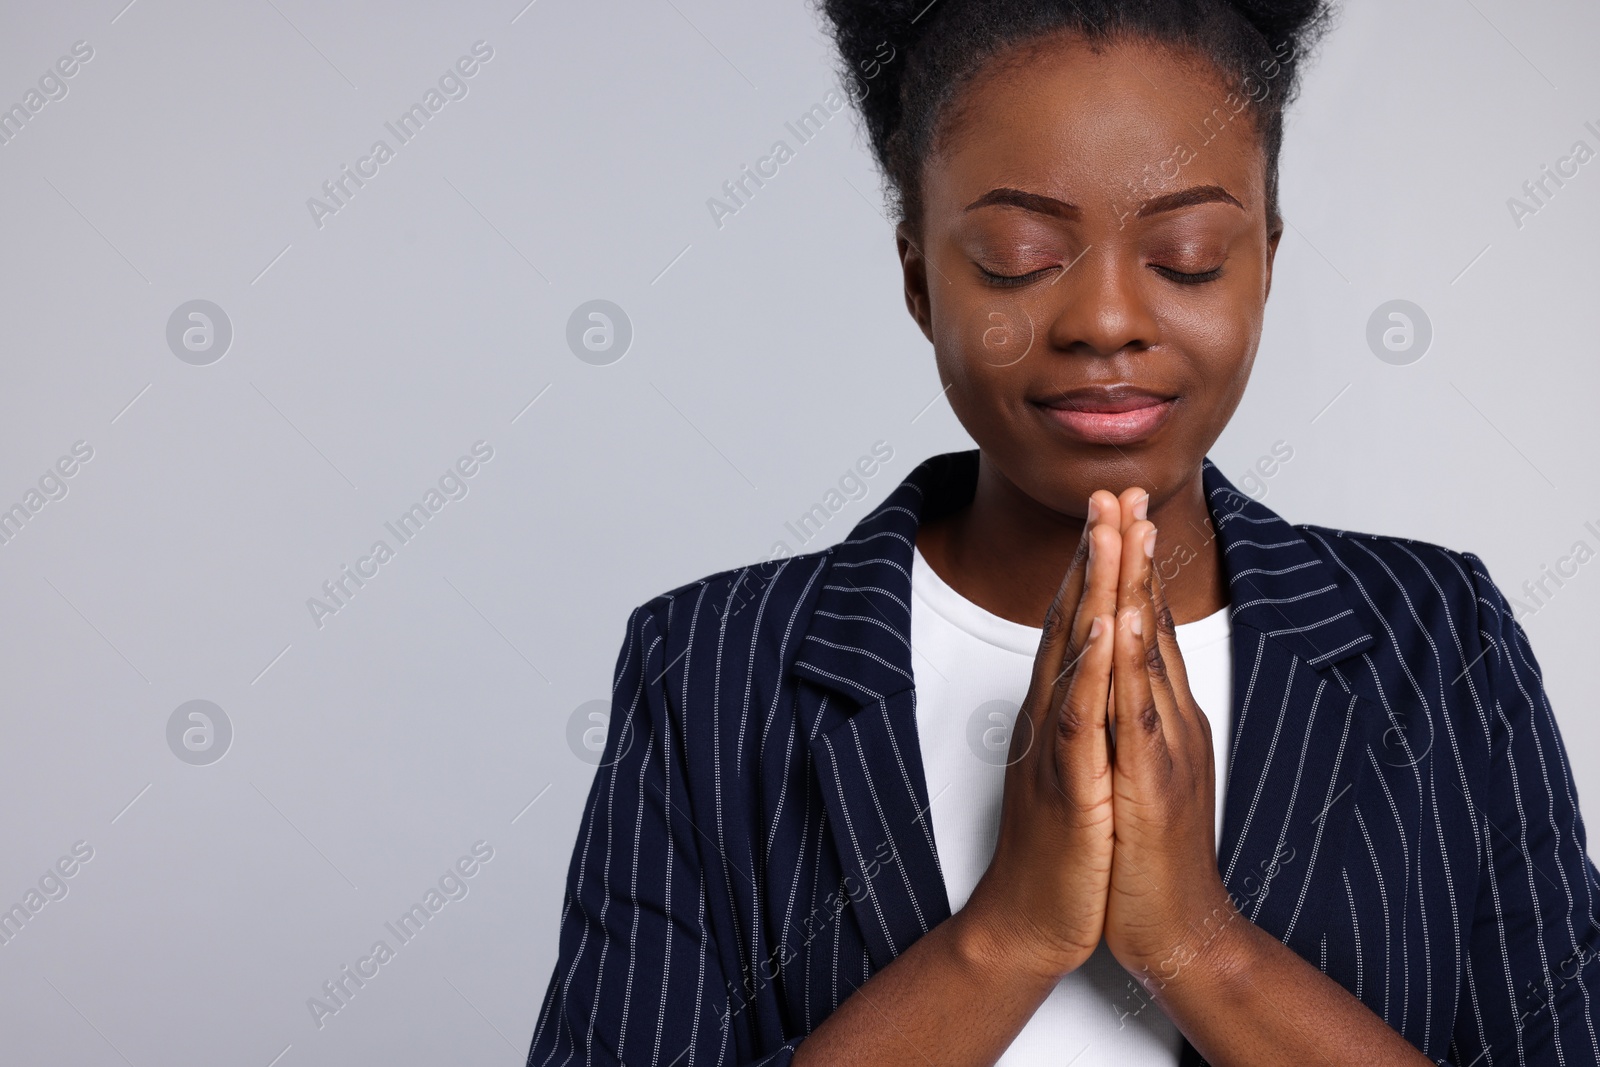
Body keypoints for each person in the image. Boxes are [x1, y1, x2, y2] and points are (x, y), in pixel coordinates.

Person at [526, 1, 1600, 1063]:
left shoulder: (1439, 641)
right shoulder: (710, 667)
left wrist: (1198, 944)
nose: (1105, 319)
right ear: (919, 280)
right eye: (1017, 257)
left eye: (1184, 256)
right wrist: (1005, 937)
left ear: (1264, 263)